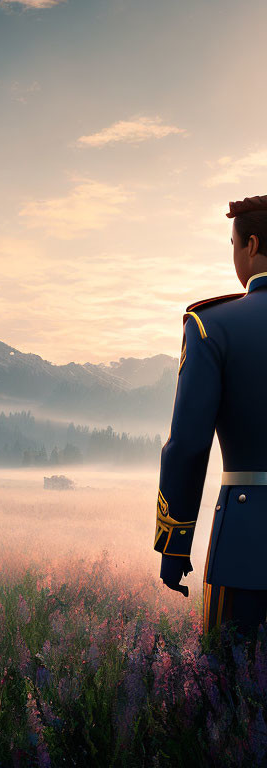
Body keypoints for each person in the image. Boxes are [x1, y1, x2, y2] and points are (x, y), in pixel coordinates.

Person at [155, 194, 267, 638]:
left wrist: (174, 547)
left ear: (252, 246)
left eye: (233, 244)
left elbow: (189, 446)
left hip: (244, 543)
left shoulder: (211, 326)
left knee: (229, 688)